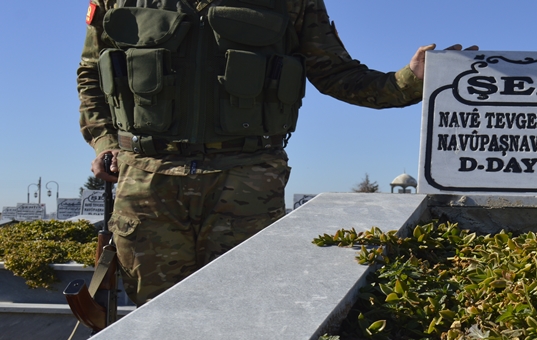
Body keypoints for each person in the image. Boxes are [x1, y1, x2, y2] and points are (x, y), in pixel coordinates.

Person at [78, 0, 473, 305]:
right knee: (151, 314)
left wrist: (410, 80)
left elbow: (336, 73)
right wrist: (104, 142)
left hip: (246, 178)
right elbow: (92, 73)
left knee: (243, 309)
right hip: (147, 178)